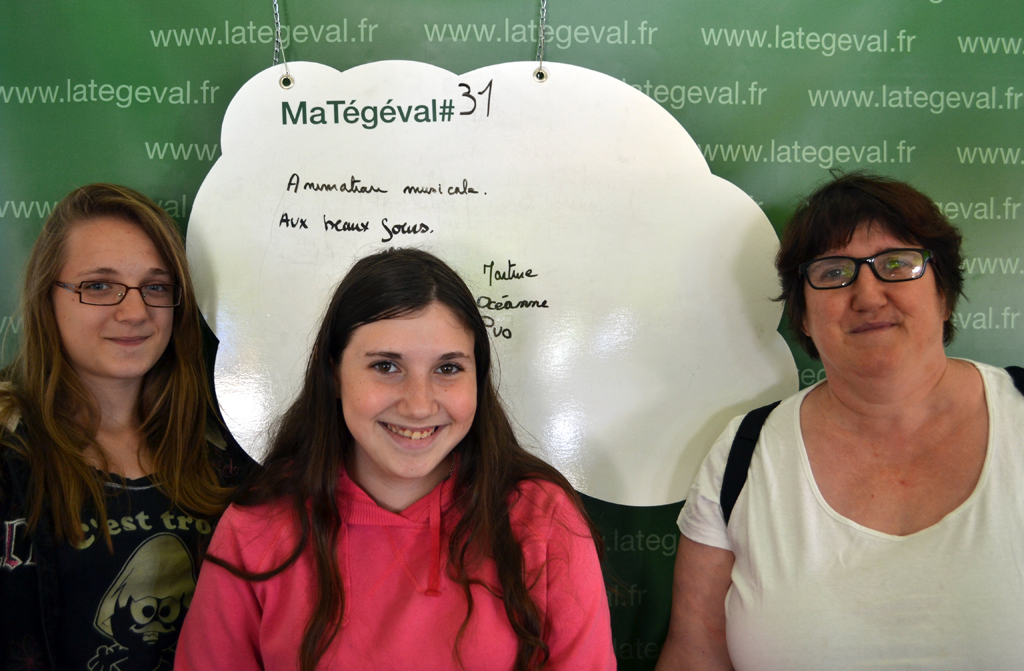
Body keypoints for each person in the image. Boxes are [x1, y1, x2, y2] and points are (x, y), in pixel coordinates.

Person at [174, 248, 615, 671]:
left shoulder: (543, 520)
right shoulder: (257, 528)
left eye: (448, 368)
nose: (419, 406)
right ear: (333, 373)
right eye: (386, 366)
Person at [656, 172, 1024, 670]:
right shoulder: (740, 456)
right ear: (804, 317)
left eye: (896, 264)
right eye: (833, 273)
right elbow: (695, 654)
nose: (868, 296)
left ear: (943, 294)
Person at [0, 184, 254, 671]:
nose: (135, 312)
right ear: (47, 297)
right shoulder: (8, 450)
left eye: (155, 287)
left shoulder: (227, 453)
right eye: (99, 285)